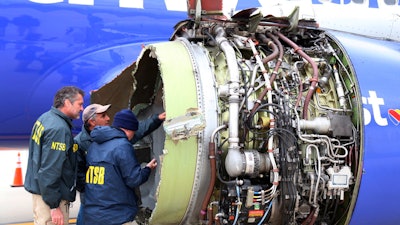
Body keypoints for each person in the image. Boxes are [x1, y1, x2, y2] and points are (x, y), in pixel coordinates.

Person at [74, 104, 165, 225]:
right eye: (103, 116)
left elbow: (136, 131)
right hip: (102, 202)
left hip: (99, 205)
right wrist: (147, 169)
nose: (108, 119)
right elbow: (134, 179)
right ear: (92, 122)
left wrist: (156, 119)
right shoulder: (81, 143)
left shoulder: (104, 139)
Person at [24, 86, 84, 225]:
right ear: (67, 103)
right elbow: (50, 169)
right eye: (79, 104)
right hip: (50, 199)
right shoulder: (59, 129)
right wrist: (54, 206)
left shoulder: (45, 118)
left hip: (42, 192)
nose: (82, 108)